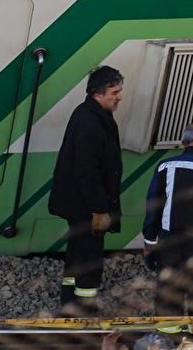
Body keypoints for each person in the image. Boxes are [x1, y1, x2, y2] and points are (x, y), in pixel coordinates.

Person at [48, 65, 125, 314]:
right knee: (90, 258)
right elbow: (87, 171)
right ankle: (84, 307)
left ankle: (69, 299)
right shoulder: (91, 122)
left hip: (77, 204)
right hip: (87, 207)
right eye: (115, 92)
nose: (119, 97)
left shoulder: (89, 114)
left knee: (77, 252)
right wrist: (100, 209)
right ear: (98, 94)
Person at [143, 121, 193, 315]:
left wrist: (149, 241)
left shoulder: (166, 167)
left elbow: (153, 206)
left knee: (169, 298)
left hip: (171, 243)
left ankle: (168, 339)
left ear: (183, 143)